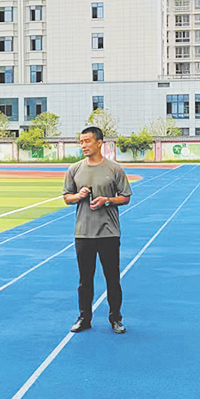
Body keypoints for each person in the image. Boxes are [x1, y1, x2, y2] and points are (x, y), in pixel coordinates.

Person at [63, 125, 133, 334]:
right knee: (85, 280)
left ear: (99, 143)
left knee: (112, 278)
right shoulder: (74, 169)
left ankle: (116, 318)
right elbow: (67, 197)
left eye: (87, 141)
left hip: (109, 233)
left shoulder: (114, 169)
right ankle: (84, 317)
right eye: (81, 141)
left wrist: (107, 201)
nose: (83, 145)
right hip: (83, 233)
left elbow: (126, 197)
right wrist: (79, 196)